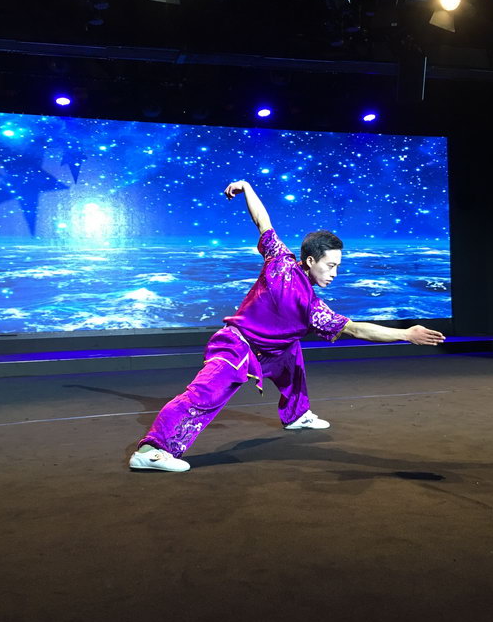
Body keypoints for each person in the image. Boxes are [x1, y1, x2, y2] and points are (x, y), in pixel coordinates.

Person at [129, 180, 445, 473]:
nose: (335, 273)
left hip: (272, 349)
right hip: (237, 346)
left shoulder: (281, 259)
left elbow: (262, 222)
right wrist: (406, 334)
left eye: (338, 266)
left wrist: (246, 187)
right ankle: (151, 450)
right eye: (330, 266)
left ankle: (296, 415)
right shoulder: (309, 304)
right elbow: (357, 330)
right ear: (310, 261)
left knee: (291, 353)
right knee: (203, 395)